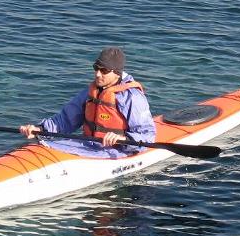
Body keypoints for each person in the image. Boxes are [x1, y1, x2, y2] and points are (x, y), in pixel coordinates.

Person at [19, 46, 157, 157]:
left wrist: (123, 138)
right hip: (88, 145)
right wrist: (40, 129)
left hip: (117, 151)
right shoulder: (91, 92)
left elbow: (147, 135)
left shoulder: (132, 97)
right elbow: (66, 120)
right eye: (96, 68)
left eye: (104, 71)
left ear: (117, 73)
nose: (97, 74)